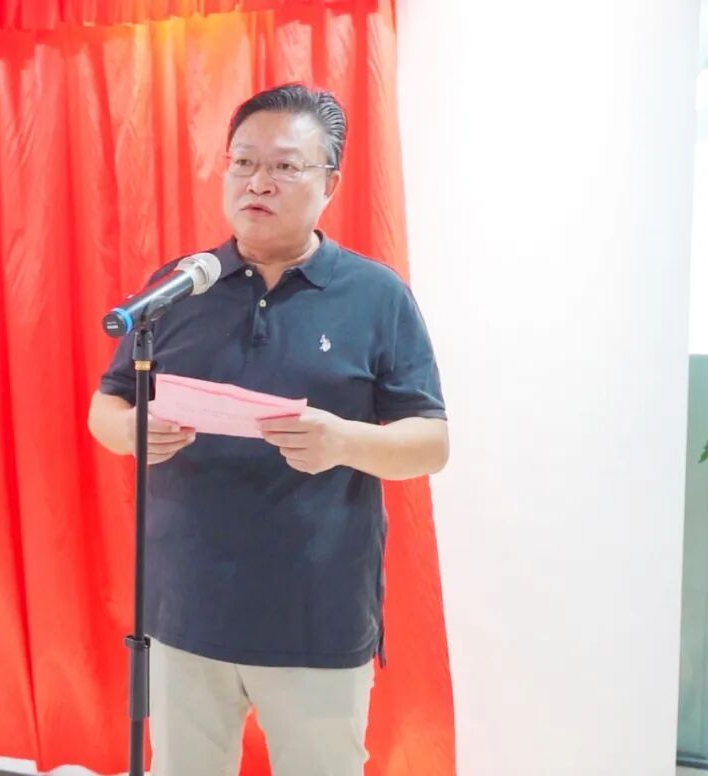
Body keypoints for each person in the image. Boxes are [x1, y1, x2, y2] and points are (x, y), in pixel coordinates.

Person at [87, 83, 449, 776]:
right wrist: (133, 430)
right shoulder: (179, 287)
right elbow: (106, 408)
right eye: (244, 162)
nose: (258, 182)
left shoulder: (376, 296)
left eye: (285, 166)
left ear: (330, 183)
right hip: (185, 609)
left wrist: (342, 441)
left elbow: (430, 444)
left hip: (315, 615)